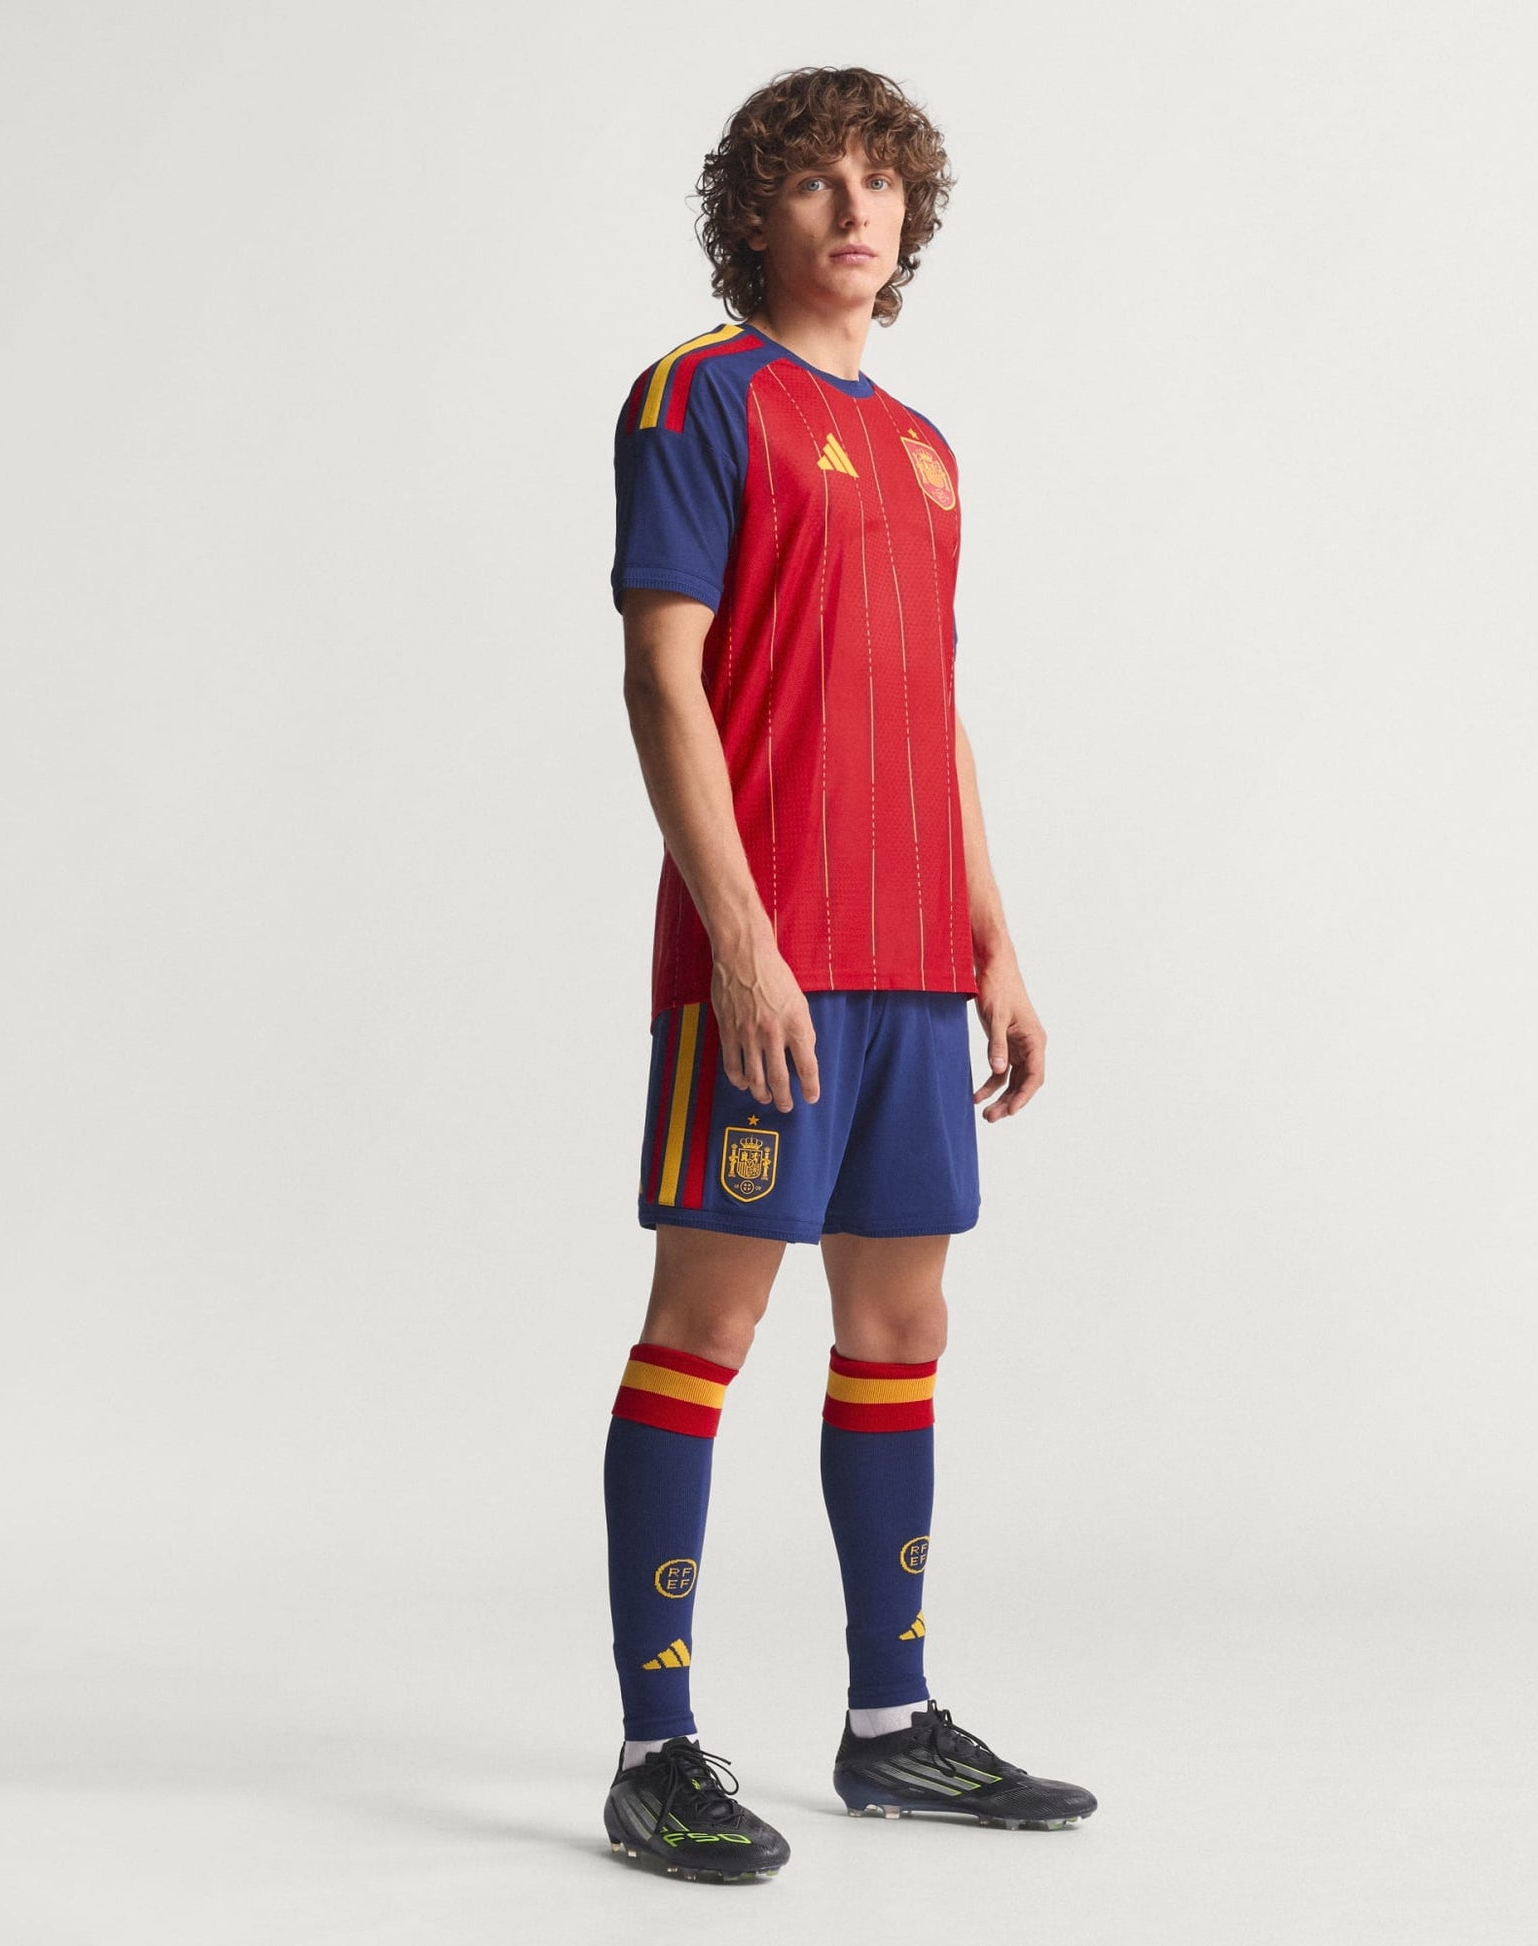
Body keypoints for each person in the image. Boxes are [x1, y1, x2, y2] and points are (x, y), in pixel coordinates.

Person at [601, 65, 1096, 1883]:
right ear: (755, 214)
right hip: (769, 963)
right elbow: (662, 678)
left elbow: (931, 705)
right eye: (812, 181)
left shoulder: (927, 451)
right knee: (705, 1329)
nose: (853, 208)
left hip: (908, 969)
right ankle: (656, 1746)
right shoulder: (698, 397)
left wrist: (993, 939)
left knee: (900, 1332)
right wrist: (738, 939)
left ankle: (891, 1725)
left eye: (880, 180)